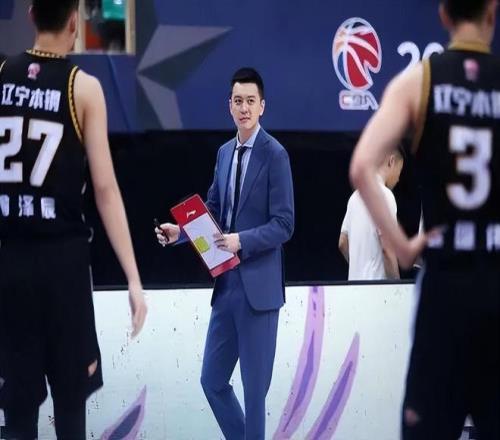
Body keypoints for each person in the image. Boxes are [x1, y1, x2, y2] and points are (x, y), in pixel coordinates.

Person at [349, 0, 499, 438]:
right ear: (492, 12)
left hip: (445, 286)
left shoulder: (420, 80)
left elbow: (361, 167)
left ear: (444, 15)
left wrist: (401, 245)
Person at [0, 1, 147, 438]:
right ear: (74, 22)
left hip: (10, 263)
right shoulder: (83, 87)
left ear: (30, 15)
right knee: (69, 407)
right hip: (63, 268)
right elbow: (105, 189)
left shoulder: (2, 75)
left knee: (18, 412)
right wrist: (133, 278)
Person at [156, 67, 294, 439]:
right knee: (212, 380)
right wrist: (180, 233)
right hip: (226, 285)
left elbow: (284, 224)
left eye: (250, 101)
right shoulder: (223, 153)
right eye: (238, 101)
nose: (244, 108)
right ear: (229, 106)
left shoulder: (275, 155)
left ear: (262, 106)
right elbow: (213, 212)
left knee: (254, 393)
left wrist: (241, 240)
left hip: (259, 291)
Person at [339, 146, 404, 280]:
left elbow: (342, 242)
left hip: (354, 287)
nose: (398, 179)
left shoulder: (355, 197)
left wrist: (359, 268)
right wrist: (396, 285)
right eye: (400, 171)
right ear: (391, 161)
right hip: (377, 289)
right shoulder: (385, 196)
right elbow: (387, 249)